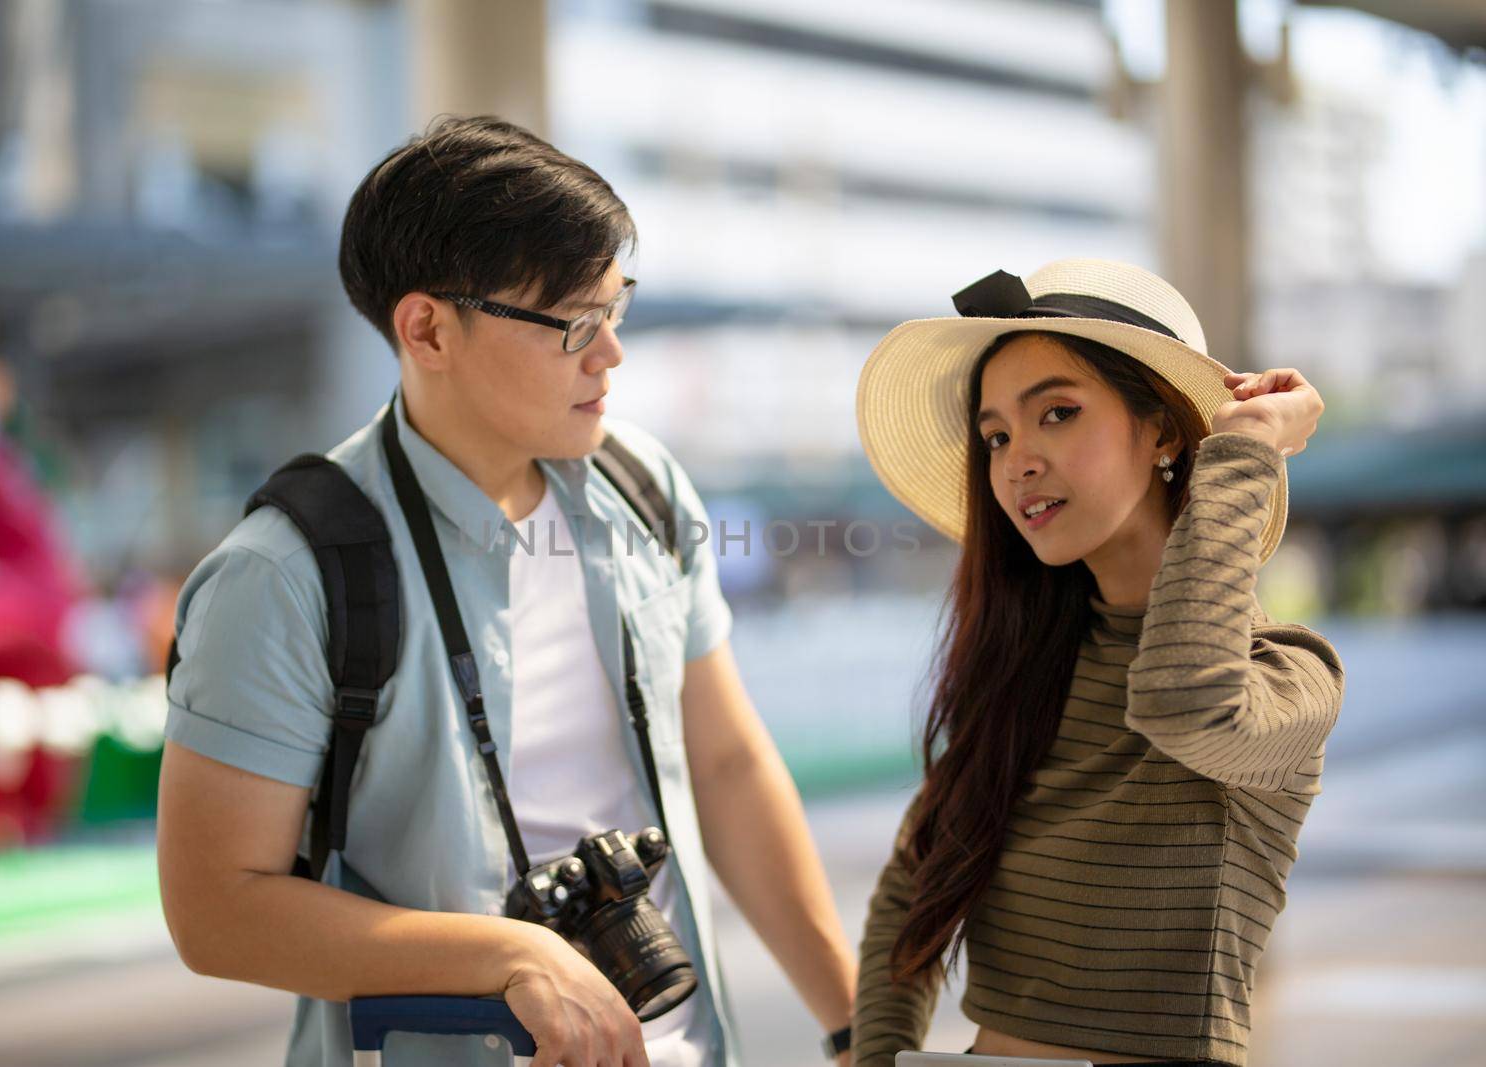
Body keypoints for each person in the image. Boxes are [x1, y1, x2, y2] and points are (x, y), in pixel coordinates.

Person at [156, 116, 857, 1067]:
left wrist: (863, 1027)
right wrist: (507, 953)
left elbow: (727, 766)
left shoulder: (642, 492)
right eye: (574, 323)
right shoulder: (283, 575)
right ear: (428, 327)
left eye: (618, 309)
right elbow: (216, 909)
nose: (610, 354)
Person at [848, 259, 1345, 1066]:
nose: (1017, 462)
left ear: (1165, 431)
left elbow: (1188, 701)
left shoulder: (1287, 673)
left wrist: (1246, 448)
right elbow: (911, 887)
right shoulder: (1020, 674)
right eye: (998, 435)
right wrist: (874, 1055)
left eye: (1059, 413)